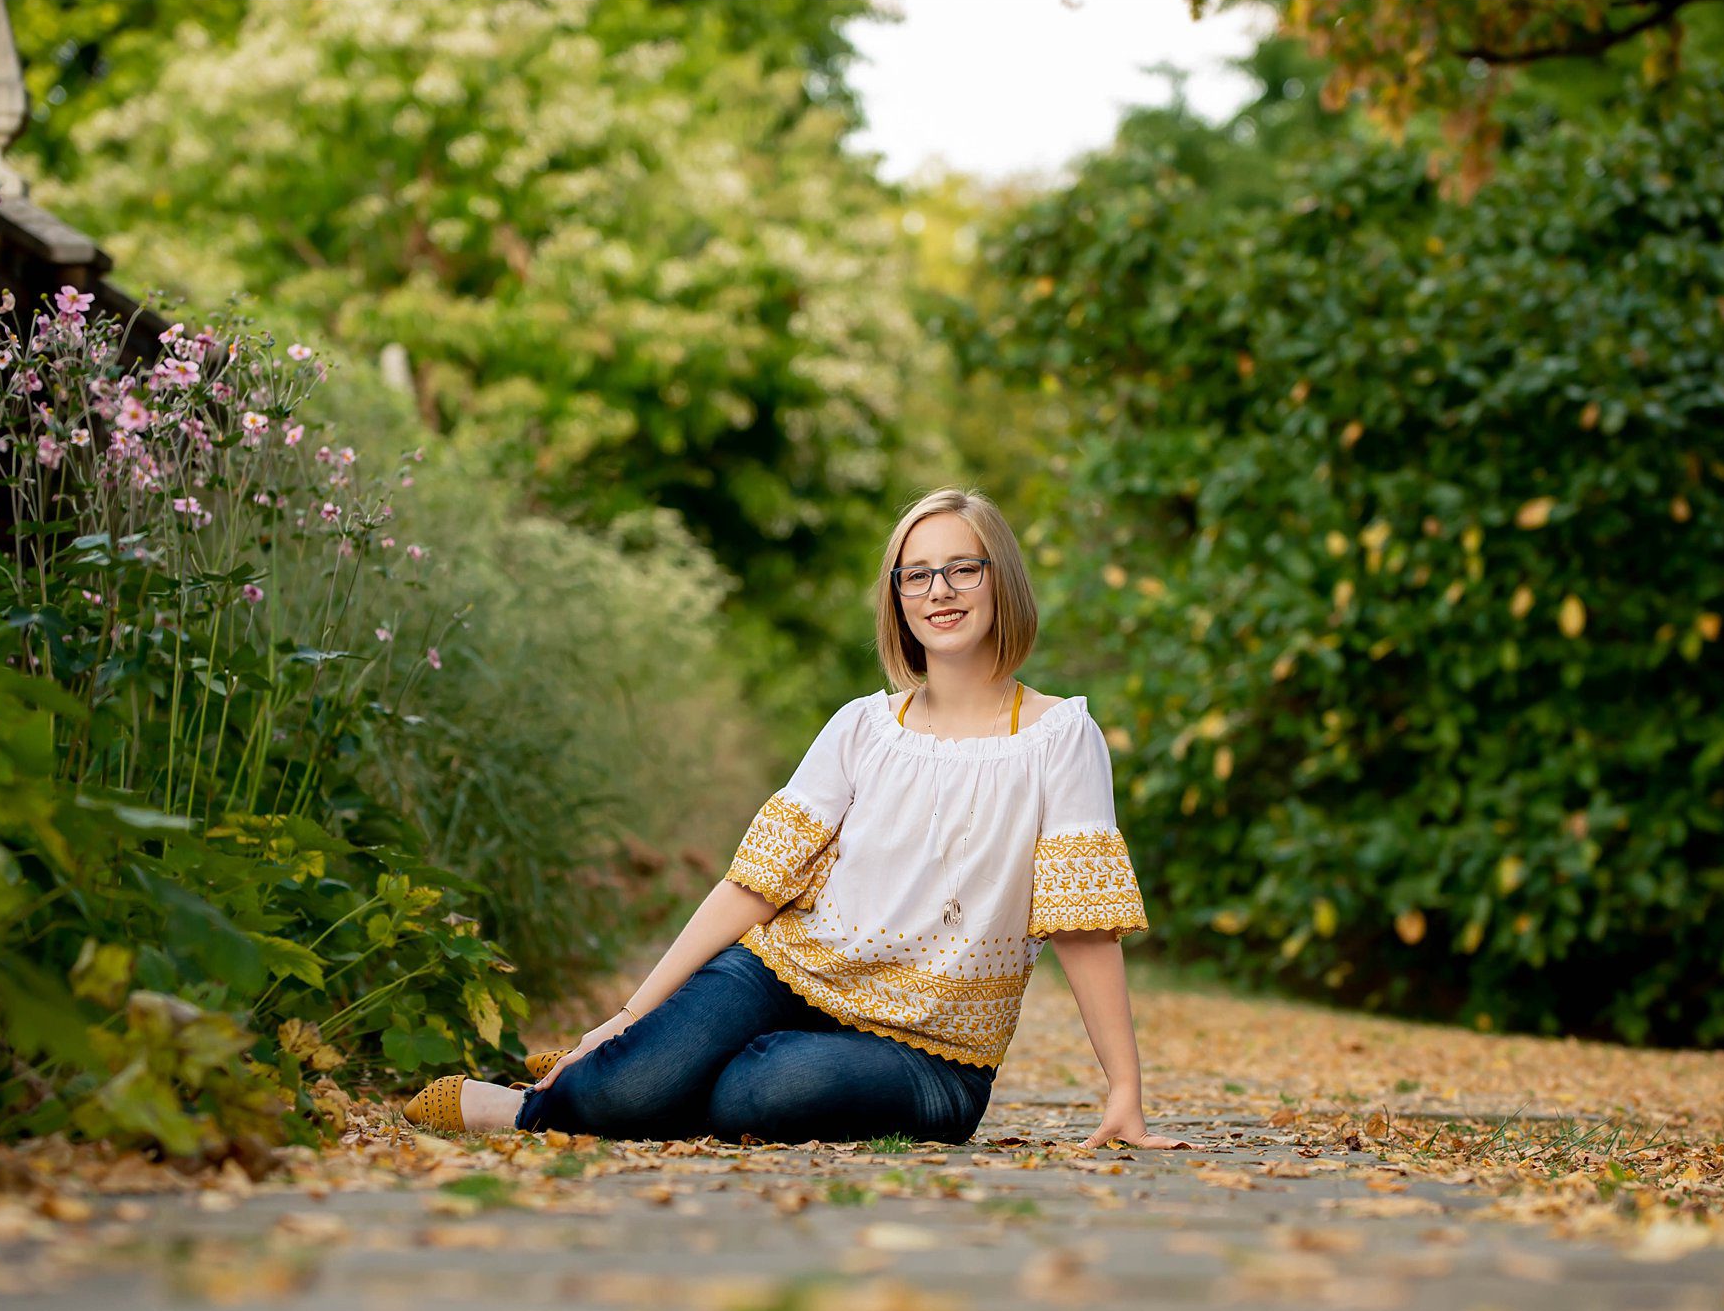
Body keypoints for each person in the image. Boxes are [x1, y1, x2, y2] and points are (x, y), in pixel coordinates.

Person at [402, 488, 1164, 1153]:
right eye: (918, 574)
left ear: (1002, 582)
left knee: (755, 1094)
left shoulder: (1059, 737)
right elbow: (757, 883)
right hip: (785, 974)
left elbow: (1082, 924)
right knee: (627, 1089)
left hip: (935, 1058)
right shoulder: (863, 727)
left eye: (964, 568)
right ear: (897, 596)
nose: (941, 590)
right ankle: (589, 1085)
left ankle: (608, 1086)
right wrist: (629, 1014)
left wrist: (1123, 1087)